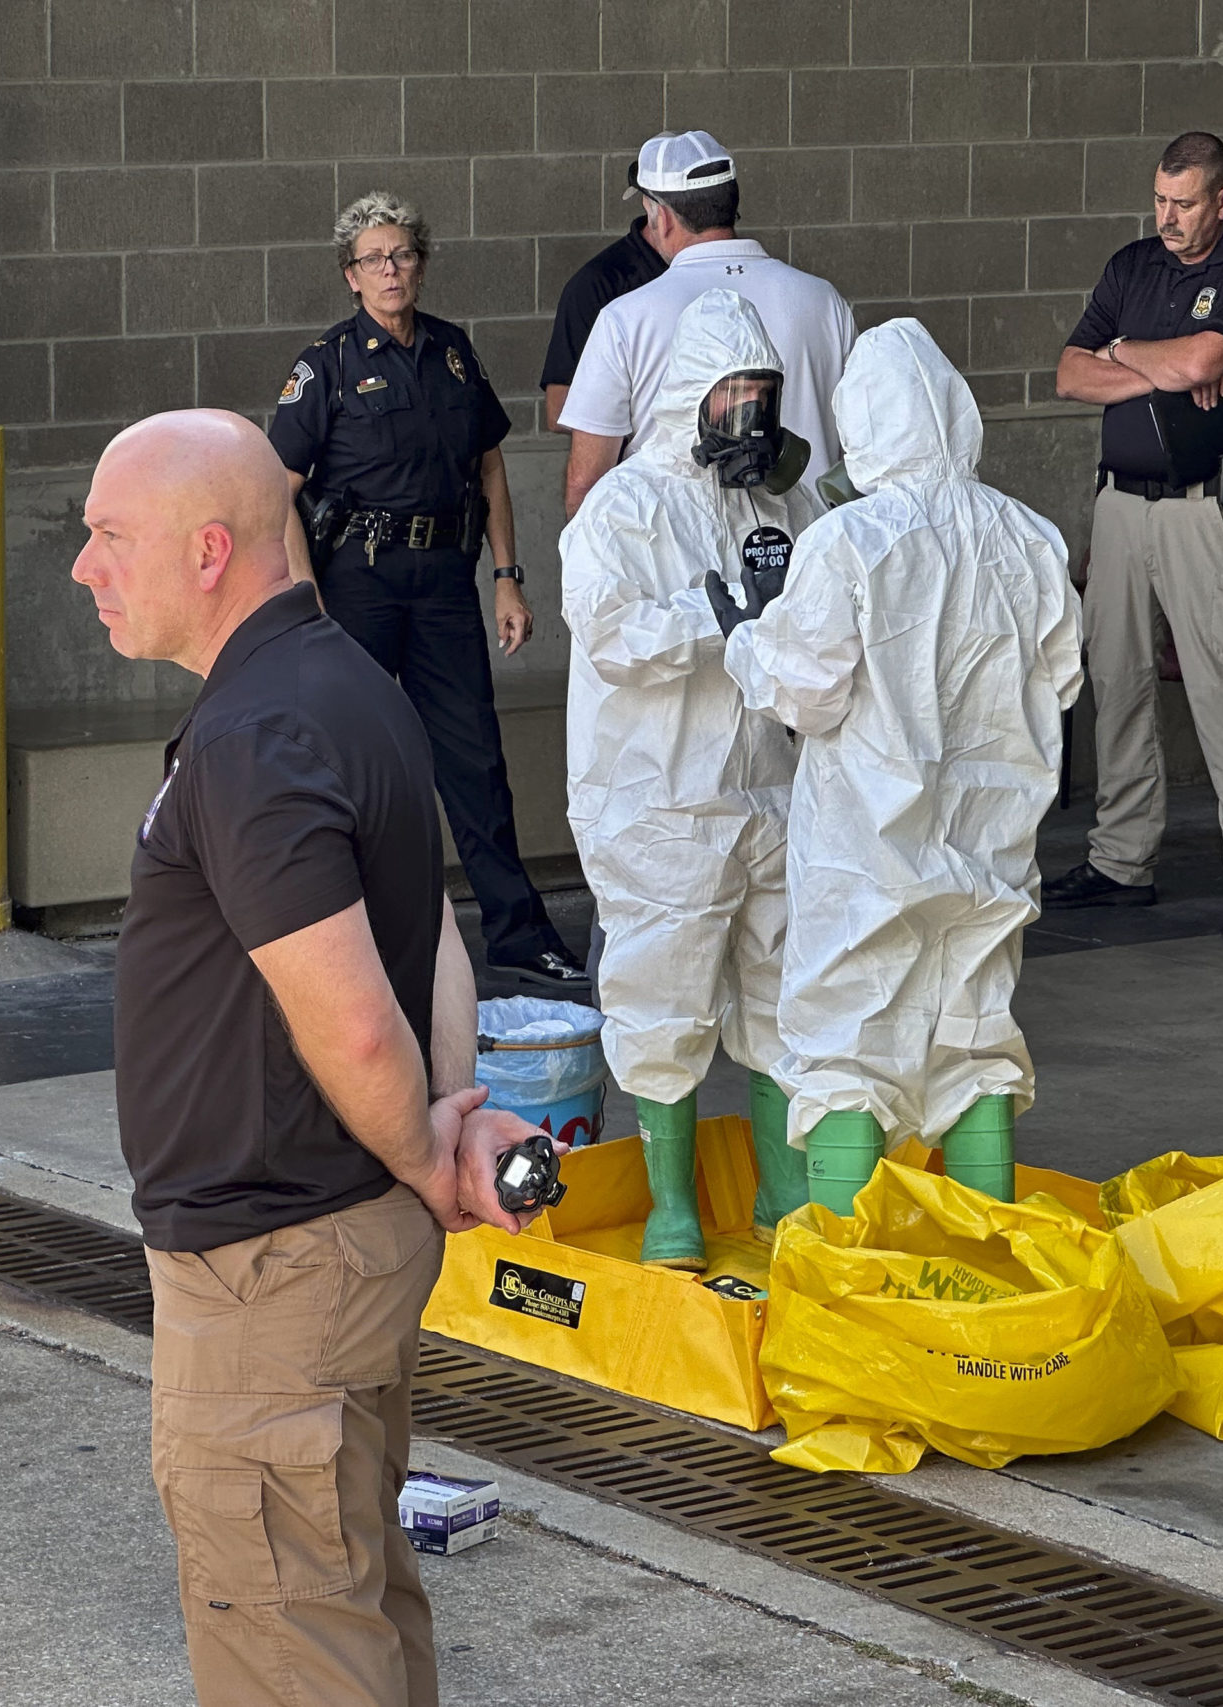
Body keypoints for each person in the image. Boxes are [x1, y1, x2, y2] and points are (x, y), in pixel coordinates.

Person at [75, 407, 545, 1707]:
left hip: (277, 1272)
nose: (84, 566)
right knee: (349, 1601)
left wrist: (424, 1146)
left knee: (293, 1637)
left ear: (209, 548)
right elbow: (430, 926)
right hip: (334, 1239)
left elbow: (348, 1014)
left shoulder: (257, 738)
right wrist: (444, 1122)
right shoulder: (341, 683)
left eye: (109, 536)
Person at [720, 318, 1083, 1213]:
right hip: (988, 843)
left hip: (865, 849)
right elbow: (1065, 678)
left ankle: (856, 1293)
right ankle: (984, 1264)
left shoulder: (847, 542)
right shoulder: (1030, 537)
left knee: (847, 1048)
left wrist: (747, 639)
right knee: (975, 1039)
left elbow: (806, 696)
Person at [561, 290, 823, 1266]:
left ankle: (782, 1199)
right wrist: (715, 612)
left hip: (768, 789)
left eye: (764, 389)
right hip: (660, 797)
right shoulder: (622, 508)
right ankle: (672, 1205)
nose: (750, 410)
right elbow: (614, 637)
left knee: (781, 991)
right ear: (691, 396)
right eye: (735, 390)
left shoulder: (775, 502)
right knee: (663, 995)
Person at [269, 190, 585, 994]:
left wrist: (508, 579)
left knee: (474, 759)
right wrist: (305, 601)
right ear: (350, 275)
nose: (391, 269)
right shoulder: (327, 365)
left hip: (445, 580)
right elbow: (277, 491)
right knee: (364, 765)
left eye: (403, 254)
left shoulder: (451, 351)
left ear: (421, 263)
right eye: (374, 258)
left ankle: (517, 931)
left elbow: (489, 465)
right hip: (358, 586)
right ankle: (364, 938)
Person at [1049, 131, 1223, 943]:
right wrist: (1146, 358)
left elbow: (1204, 362)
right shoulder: (1132, 266)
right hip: (1122, 506)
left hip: (1209, 509)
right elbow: (1068, 372)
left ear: (1222, 200)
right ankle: (1122, 860)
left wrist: (1133, 355)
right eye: (1159, 199)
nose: (1167, 217)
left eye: (1183, 203)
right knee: (1115, 680)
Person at [559, 131, 856, 517]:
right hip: (812, 557)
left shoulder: (625, 318)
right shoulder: (824, 301)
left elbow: (587, 482)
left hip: (681, 565)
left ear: (659, 216)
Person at [539, 210, 666, 430]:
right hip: (636, 459)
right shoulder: (599, 282)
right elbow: (560, 408)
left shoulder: (725, 269)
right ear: (660, 210)